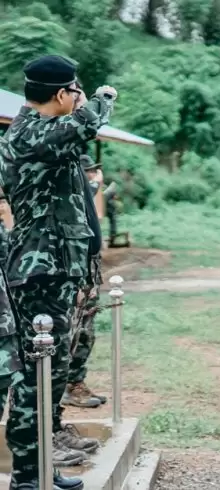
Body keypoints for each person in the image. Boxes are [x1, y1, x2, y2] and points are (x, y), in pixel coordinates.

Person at [0, 55, 116, 490]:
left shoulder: (46, 134)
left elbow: (77, 137)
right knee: (37, 374)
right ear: (63, 94)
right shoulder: (31, 131)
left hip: (52, 267)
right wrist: (102, 98)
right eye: (74, 92)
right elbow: (85, 124)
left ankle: (41, 468)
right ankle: (28, 478)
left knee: (52, 370)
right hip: (38, 270)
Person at [62, 155, 107, 408]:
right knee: (75, 330)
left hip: (89, 266)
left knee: (86, 330)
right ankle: (67, 385)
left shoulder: (83, 186)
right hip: (76, 268)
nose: (92, 175)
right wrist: (93, 186)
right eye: (89, 171)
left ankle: (75, 380)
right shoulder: (70, 184)